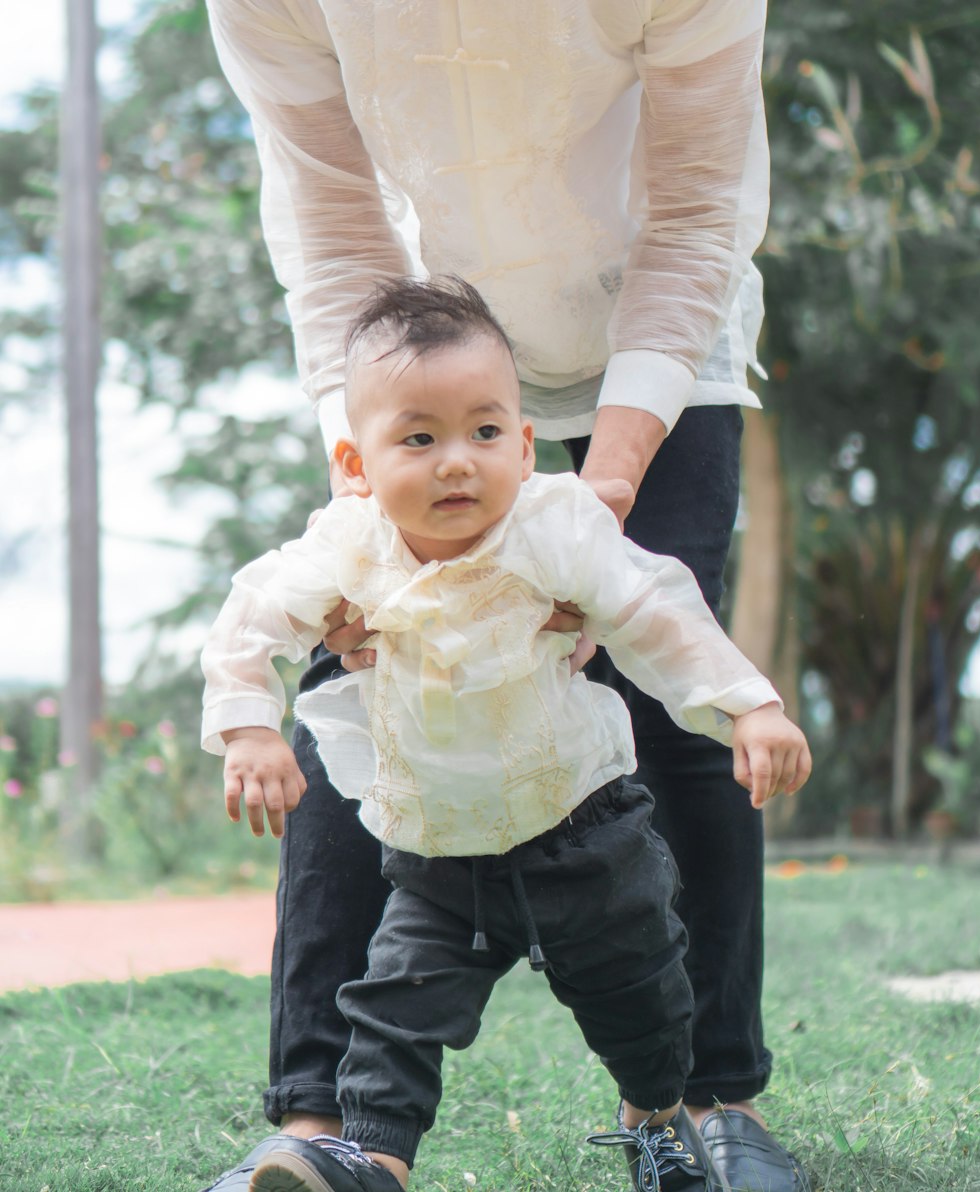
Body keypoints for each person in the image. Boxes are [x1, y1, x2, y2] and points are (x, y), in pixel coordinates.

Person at [200, 3, 811, 1191]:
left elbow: (692, 219)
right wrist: (375, 493)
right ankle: (324, 1128)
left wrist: (593, 504)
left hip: (651, 321)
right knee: (353, 663)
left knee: (656, 657)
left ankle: (703, 1105)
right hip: (417, 355)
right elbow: (334, 229)